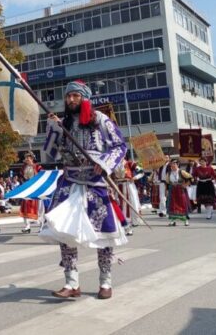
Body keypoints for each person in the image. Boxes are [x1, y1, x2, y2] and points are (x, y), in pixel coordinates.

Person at [40, 80, 128, 300]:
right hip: (69, 182)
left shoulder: (100, 120)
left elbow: (120, 145)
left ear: (85, 98)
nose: (70, 100)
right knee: (65, 232)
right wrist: (53, 129)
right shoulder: (64, 123)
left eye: (75, 96)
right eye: (68, 96)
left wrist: (106, 162)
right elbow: (49, 153)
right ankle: (71, 282)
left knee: (104, 235)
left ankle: (105, 282)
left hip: (94, 182)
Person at [114, 158, 142, 235]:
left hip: (128, 185)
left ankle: (129, 226)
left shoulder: (130, 163)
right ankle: (122, 226)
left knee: (130, 206)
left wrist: (135, 178)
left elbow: (141, 172)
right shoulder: (113, 163)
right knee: (119, 205)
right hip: (117, 186)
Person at [19, 152, 43, 234]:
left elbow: (41, 176)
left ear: (32, 159)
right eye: (26, 158)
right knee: (25, 207)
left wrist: (34, 168)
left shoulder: (38, 166)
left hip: (36, 189)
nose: (26, 159)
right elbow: (21, 177)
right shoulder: (23, 168)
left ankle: (41, 226)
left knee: (38, 208)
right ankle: (27, 226)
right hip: (27, 189)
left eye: (28, 158)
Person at [165, 159, 192, 226]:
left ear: (177, 164)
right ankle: (172, 220)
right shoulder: (169, 173)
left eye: (174, 164)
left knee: (183, 204)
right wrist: (166, 191)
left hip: (180, 190)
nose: (173, 165)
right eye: (172, 164)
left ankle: (185, 220)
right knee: (172, 205)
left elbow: (190, 178)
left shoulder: (181, 172)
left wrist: (185, 185)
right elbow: (167, 183)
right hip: (172, 190)